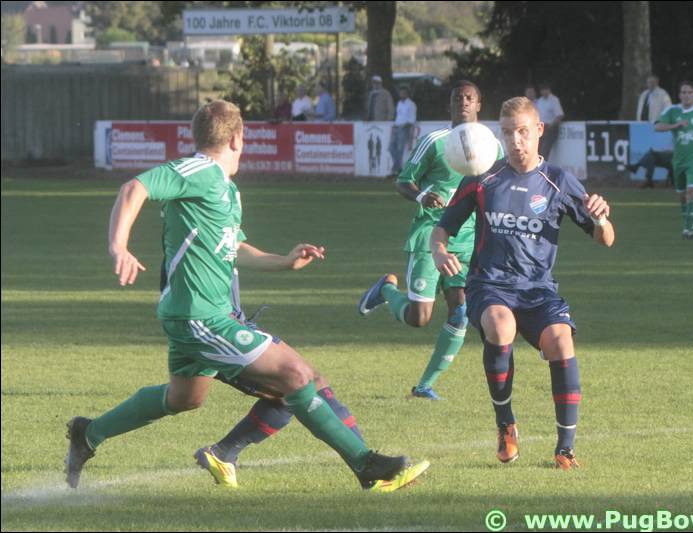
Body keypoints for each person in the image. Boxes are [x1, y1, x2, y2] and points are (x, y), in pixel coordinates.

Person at [64, 100, 429, 493]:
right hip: (202, 317)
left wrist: (285, 261)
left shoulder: (226, 190)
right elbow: (134, 188)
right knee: (297, 377)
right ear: (238, 138)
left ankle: (89, 433)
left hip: (201, 315)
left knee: (185, 398)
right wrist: (119, 247)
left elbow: (234, 248)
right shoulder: (200, 170)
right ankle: (364, 464)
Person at [431, 96, 614, 468]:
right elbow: (442, 228)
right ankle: (506, 425)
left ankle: (565, 449)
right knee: (501, 326)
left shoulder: (558, 181)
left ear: (539, 130)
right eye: (508, 133)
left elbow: (606, 239)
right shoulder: (483, 177)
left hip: (537, 290)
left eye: (523, 132)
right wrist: (438, 251)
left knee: (561, 341)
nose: (516, 141)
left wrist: (600, 218)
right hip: (489, 284)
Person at [358, 81, 501, 400]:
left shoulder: (492, 146)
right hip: (429, 235)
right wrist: (422, 195)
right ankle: (386, 290)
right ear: (449, 105)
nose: (463, 102)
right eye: (457, 98)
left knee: (460, 312)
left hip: (467, 241)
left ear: (479, 104)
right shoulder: (434, 142)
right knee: (419, 318)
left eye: (470, 98)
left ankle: (424, 386)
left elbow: (501, 185)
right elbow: (403, 181)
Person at [194, 269, 369, 488]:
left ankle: (223, 453)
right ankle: (370, 469)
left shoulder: (219, 246)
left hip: (235, 328)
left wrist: (286, 260)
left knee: (307, 383)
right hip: (219, 335)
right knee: (296, 388)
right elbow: (188, 290)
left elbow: (242, 252)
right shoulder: (194, 250)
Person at [655, 81, 693, 239]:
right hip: (679, 160)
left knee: (692, 191)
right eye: (683, 92)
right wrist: (675, 125)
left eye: (689, 92)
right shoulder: (672, 111)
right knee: (682, 195)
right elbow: (657, 126)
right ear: (679, 95)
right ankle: (688, 225)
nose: (686, 95)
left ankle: (690, 228)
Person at [389, 86, 417, 175]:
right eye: (401, 93)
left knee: (399, 149)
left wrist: (403, 126)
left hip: (404, 128)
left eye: (404, 93)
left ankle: (396, 169)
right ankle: (398, 168)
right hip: (396, 127)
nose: (402, 95)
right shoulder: (399, 103)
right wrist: (395, 125)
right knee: (391, 148)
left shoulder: (411, 104)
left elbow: (412, 120)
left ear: (407, 94)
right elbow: (398, 116)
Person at [535, 83, 564, 159]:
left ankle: (543, 164)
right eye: (542, 90)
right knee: (537, 148)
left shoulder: (554, 100)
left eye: (546, 89)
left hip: (551, 127)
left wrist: (551, 125)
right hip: (541, 127)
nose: (544, 91)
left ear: (549, 90)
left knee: (545, 149)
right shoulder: (539, 101)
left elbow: (560, 115)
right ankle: (537, 164)